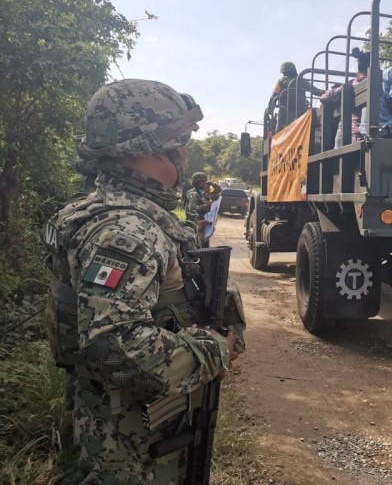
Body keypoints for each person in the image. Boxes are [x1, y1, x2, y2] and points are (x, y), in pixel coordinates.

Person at [43, 79, 246, 484]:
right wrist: (212, 352)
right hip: (129, 448)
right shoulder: (129, 231)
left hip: (110, 427)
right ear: (159, 149)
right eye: (182, 141)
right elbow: (115, 346)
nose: (185, 153)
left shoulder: (99, 212)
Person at [321, 47, 370, 148]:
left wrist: (324, 95)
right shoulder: (378, 83)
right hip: (367, 136)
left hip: (349, 134)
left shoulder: (353, 83)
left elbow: (327, 96)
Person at [270, 61, 324, 129]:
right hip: (301, 112)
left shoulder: (281, 81)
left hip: (284, 113)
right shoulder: (302, 80)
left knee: (280, 133)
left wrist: (269, 111)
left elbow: (273, 97)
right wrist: (326, 93)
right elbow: (315, 91)